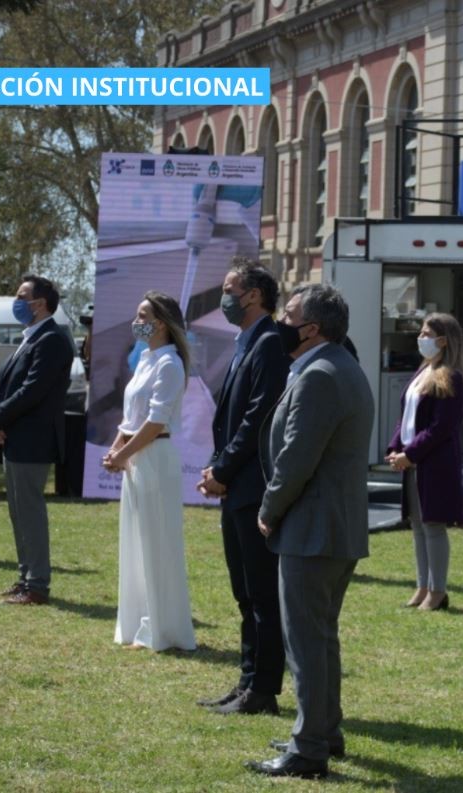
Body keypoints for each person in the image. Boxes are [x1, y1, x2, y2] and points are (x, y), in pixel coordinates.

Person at [247, 285, 373, 779]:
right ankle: (322, 731)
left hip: (313, 527)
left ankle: (309, 749)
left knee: (306, 641)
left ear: (312, 328)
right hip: (331, 526)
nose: (281, 321)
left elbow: (297, 457)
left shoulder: (320, 374)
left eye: (290, 315)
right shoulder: (339, 366)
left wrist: (270, 507)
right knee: (319, 637)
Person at [195, 262, 290, 714]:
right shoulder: (247, 342)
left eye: (230, 288)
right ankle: (247, 680)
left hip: (253, 487)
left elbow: (257, 418)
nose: (225, 297)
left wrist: (224, 469)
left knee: (261, 594)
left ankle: (263, 690)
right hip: (237, 487)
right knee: (244, 593)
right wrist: (218, 468)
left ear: (253, 295)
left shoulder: (269, 342)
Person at [102, 292, 196, 652]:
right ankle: (137, 621)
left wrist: (123, 455)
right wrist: (116, 450)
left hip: (155, 459)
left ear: (161, 323)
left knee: (156, 543)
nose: (136, 321)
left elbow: (156, 422)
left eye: (143, 315)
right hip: (138, 459)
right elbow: (132, 419)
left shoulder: (170, 364)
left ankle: (159, 628)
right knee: (136, 542)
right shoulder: (145, 359)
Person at [0, 275, 75, 605]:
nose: (17, 301)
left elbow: (32, 390)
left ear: (41, 304)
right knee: (18, 512)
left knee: (30, 512)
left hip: (33, 440)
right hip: (16, 437)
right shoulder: (31, 337)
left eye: (22, 296)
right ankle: (25, 579)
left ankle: (37, 585)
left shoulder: (52, 340)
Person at [385, 313, 463, 612]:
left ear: (443, 340)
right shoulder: (422, 371)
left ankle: (438, 590)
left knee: (433, 526)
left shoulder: (451, 377)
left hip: (434, 464)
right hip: (413, 463)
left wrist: (411, 453)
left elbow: (441, 427)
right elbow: (406, 417)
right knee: (417, 526)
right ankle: (422, 586)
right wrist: (395, 448)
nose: (421, 338)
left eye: (426, 334)